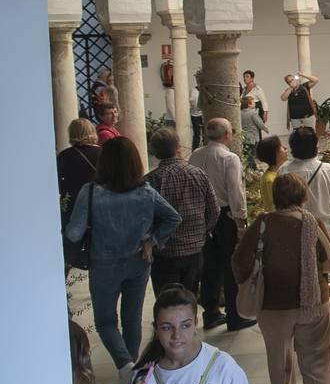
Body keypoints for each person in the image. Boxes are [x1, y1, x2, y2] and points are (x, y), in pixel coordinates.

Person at [229, 173, 330, 384]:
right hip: (314, 304)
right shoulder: (314, 223)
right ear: (303, 197)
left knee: (279, 361)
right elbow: (328, 261)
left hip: (274, 305)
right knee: (316, 366)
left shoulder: (262, 224)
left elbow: (240, 261)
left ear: (275, 197)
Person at [65, 137, 181, 371]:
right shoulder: (146, 192)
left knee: (106, 322)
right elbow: (173, 218)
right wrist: (153, 240)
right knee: (132, 320)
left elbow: (74, 233)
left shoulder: (91, 193)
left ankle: (125, 366)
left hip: (103, 265)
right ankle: (132, 370)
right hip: (139, 261)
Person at [189, 118, 254, 333]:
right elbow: (235, 192)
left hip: (202, 214)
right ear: (227, 134)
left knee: (209, 266)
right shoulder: (229, 158)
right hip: (225, 216)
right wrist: (241, 222)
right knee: (230, 265)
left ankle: (211, 313)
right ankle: (235, 316)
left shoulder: (195, 155)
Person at [146, 127, 218, 298]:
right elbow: (214, 211)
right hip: (194, 249)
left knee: (166, 302)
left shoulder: (151, 180)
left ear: (154, 152)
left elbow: (145, 219)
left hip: (164, 252)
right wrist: (202, 231)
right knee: (189, 298)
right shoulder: (198, 174)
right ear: (178, 147)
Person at [277, 125, 330, 244]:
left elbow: (279, 204)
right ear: (316, 145)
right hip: (324, 233)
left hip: (293, 234)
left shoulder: (283, 170)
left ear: (292, 147)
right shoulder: (327, 169)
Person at [58, 118, 103, 270]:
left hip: (72, 204)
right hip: (99, 204)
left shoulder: (64, 156)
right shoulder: (102, 154)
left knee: (74, 237)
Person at [253, 134, 285, 212]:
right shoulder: (270, 180)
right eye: (281, 146)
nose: (285, 148)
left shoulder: (278, 172)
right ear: (275, 153)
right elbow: (275, 207)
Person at [189, 70, 204, 150]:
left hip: (204, 115)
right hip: (195, 115)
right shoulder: (194, 91)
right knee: (197, 134)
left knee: (206, 133)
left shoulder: (205, 89)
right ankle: (194, 151)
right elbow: (194, 104)